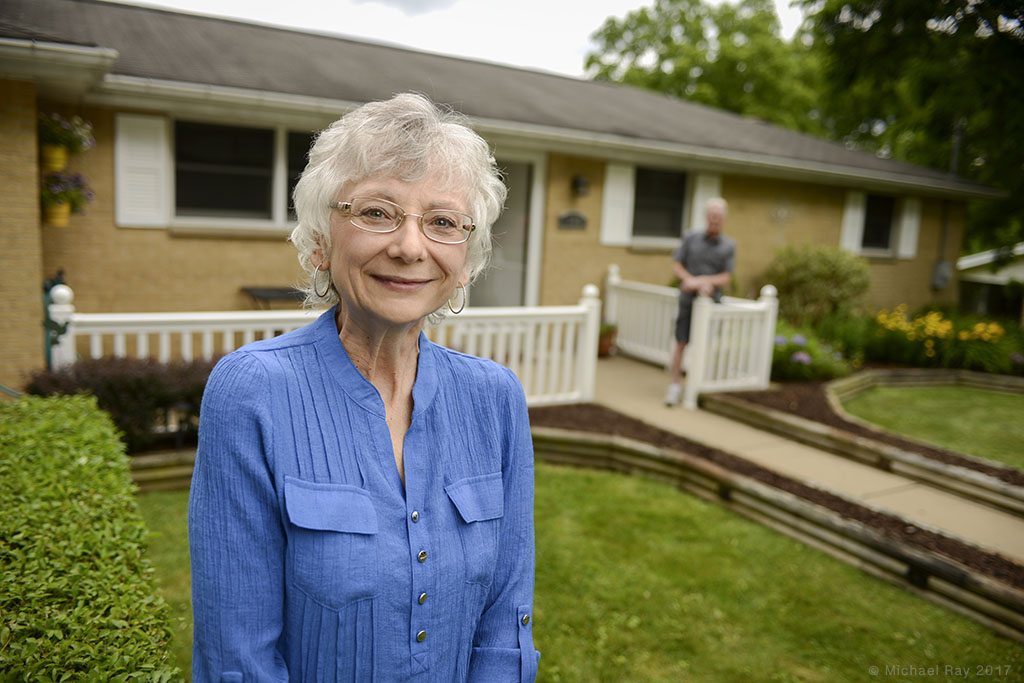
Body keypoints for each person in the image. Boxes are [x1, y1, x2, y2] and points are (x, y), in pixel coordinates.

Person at [189, 93, 540, 682]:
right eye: (377, 212)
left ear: (467, 262)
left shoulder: (496, 399)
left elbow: (506, 625)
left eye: (443, 222)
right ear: (320, 241)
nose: (408, 246)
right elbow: (238, 657)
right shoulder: (252, 392)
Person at [664, 197, 736, 406]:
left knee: (706, 345)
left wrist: (703, 281)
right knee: (681, 343)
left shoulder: (729, 246)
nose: (715, 220)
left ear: (723, 219)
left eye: (719, 217)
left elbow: (725, 277)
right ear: (706, 217)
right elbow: (677, 265)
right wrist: (691, 281)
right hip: (688, 300)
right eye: (712, 216)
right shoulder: (691, 238)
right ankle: (674, 388)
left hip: (711, 304)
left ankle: (699, 386)